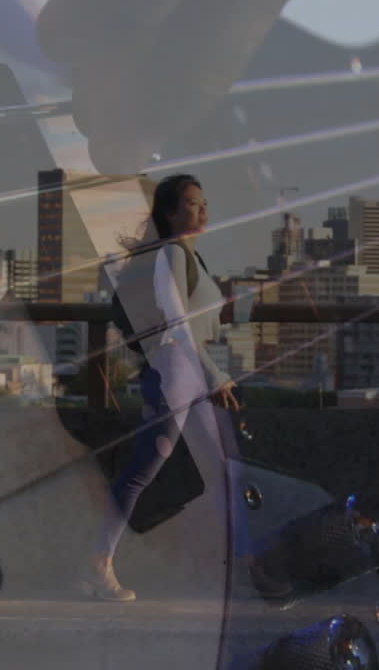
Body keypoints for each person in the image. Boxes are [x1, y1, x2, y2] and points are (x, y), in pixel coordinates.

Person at [80, 173, 292, 602]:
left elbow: (198, 321)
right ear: (170, 214)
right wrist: (215, 376)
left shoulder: (192, 257)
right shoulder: (172, 256)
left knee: (222, 473)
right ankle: (98, 565)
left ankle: (245, 570)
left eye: (204, 202)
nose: (202, 210)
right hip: (175, 376)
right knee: (142, 472)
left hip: (188, 373)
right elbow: (177, 325)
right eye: (192, 204)